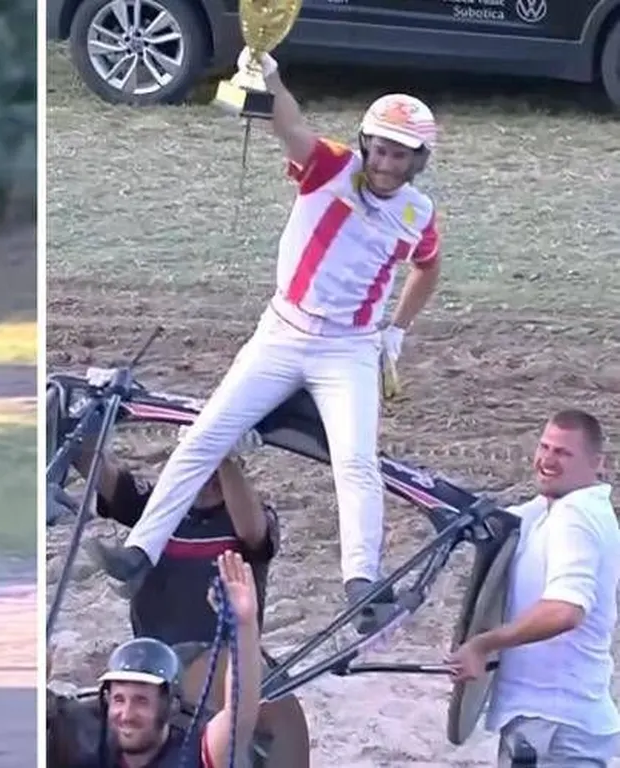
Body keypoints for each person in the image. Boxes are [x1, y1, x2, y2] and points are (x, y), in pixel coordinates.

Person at [87, 45, 443, 636]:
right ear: (365, 144)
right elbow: (290, 125)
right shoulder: (330, 167)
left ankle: (361, 582)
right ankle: (140, 552)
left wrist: (396, 331)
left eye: (398, 154)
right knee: (205, 436)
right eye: (379, 149)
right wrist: (270, 77)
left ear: (417, 161)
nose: (384, 163)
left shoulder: (418, 212)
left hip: (349, 349)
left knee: (356, 462)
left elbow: (427, 267)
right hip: (283, 333)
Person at [77, 425, 311, 765]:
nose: (208, 478)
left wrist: (222, 454)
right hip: (158, 664)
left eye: (215, 471)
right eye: (201, 464)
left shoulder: (247, 516)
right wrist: (76, 430)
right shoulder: (158, 509)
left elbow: (252, 530)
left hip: (226, 661)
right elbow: (100, 473)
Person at [447, 409, 620, 767]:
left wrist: (483, 644)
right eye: (544, 447)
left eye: (563, 453)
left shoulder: (576, 517)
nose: (548, 460)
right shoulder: (547, 510)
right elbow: (493, 520)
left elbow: (565, 611)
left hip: (554, 729)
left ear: (597, 464)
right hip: (551, 724)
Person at [90, 551, 263, 768]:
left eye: (141, 701)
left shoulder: (197, 754)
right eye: (119, 700)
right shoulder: (94, 758)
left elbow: (239, 716)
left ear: (171, 705)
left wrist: (244, 626)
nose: (126, 714)